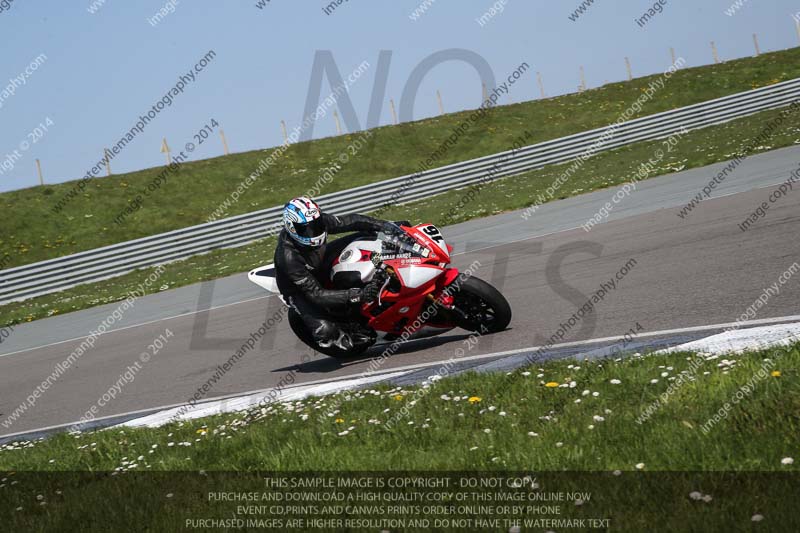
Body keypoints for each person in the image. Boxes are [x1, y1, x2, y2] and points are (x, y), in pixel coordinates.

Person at [274, 196, 404, 350]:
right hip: (298, 290)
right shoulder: (288, 258)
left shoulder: (318, 222)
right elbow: (317, 295)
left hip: (319, 259)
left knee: (365, 237)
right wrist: (359, 295)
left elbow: (351, 221)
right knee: (326, 332)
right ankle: (349, 333)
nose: (314, 231)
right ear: (292, 228)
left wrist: (384, 225)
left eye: (316, 225)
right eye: (306, 229)